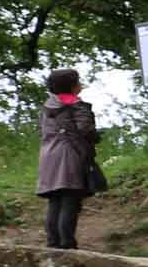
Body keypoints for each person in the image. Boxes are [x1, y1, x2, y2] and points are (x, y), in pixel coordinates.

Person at [36, 67, 102, 249]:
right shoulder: (76, 105)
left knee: (55, 200)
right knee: (70, 199)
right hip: (69, 155)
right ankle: (67, 244)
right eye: (78, 82)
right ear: (72, 86)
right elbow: (86, 130)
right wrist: (97, 137)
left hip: (48, 155)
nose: (80, 85)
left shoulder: (47, 107)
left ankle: (53, 242)